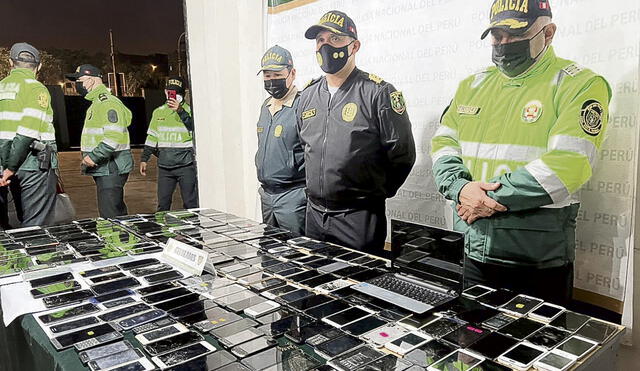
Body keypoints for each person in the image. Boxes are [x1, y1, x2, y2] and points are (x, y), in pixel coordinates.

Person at [431, 0, 611, 305]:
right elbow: (443, 145)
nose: (504, 44)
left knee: (536, 350)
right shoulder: (471, 86)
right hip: (470, 245)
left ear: (549, 32)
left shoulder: (580, 84)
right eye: (497, 36)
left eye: (515, 35)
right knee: (468, 346)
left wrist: (483, 200)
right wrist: (460, 187)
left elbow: (569, 164)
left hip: (536, 257)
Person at [297, 11, 416, 256]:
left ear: (355, 46)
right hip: (314, 215)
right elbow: (303, 147)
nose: (326, 46)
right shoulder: (307, 96)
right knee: (315, 288)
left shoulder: (377, 93)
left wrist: (372, 194)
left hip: (358, 218)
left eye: (335, 40)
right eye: (320, 40)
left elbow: (402, 154)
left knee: (357, 289)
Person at [0, 42, 58, 227]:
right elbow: (26, 133)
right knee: (36, 223)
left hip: (5, 166)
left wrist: (5, 169)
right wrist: (11, 167)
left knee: (15, 217)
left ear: (10, 63)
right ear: (39, 66)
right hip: (32, 165)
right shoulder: (36, 88)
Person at [66, 64, 133, 218]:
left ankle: (114, 241)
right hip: (106, 168)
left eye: (79, 80)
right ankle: (121, 239)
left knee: (111, 216)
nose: (77, 85)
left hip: (111, 167)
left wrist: (93, 157)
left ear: (91, 80)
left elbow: (113, 136)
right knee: (116, 212)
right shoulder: (98, 102)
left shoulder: (107, 103)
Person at [255, 45, 306, 235]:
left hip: (293, 197)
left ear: (292, 73)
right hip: (267, 196)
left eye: (277, 74)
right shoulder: (265, 106)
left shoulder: (303, 105)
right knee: (270, 251)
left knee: (297, 256)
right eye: (267, 76)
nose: (271, 80)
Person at [140, 77, 199, 211]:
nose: (173, 96)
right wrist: (144, 158)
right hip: (165, 166)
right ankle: (163, 230)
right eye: (170, 92)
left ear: (183, 93)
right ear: (166, 92)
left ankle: (194, 231)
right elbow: (152, 136)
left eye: (176, 93)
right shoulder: (158, 112)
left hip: (186, 165)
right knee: (163, 204)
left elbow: (193, 127)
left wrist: (180, 111)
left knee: (191, 203)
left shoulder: (190, 111)